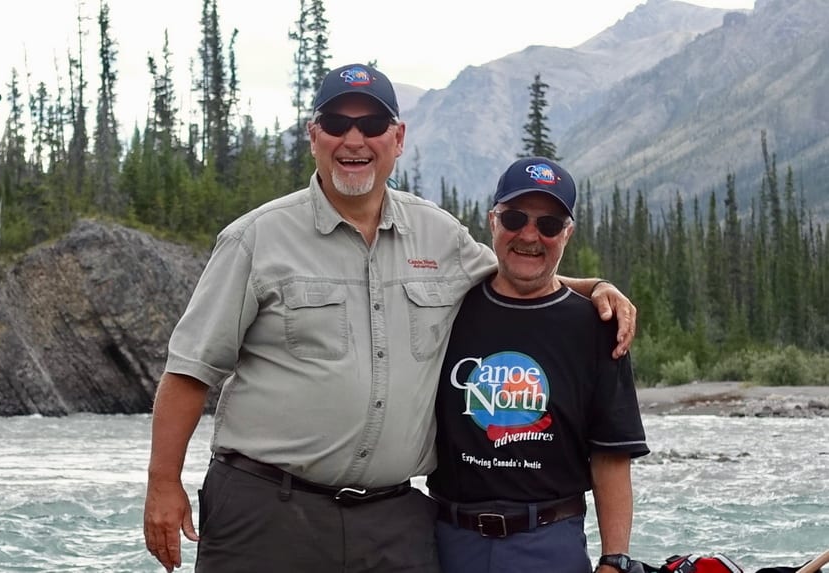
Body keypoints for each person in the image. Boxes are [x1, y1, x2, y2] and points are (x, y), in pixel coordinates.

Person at [142, 63, 637, 573]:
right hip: (268, 510)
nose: (354, 138)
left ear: (397, 138)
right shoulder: (255, 239)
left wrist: (596, 288)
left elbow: (518, 268)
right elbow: (189, 370)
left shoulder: (439, 235)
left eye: (372, 125)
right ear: (314, 136)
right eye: (336, 122)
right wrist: (163, 483)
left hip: (393, 521)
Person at [426, 157, 650, 573]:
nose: (530, 235)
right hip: (446, 541)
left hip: (550, 542)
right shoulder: (447, 307)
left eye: (548, 225)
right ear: (492, 221)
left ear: (567, 233)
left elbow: (612, 456)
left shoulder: (599, 326)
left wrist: (614, 561)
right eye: (514, 218)